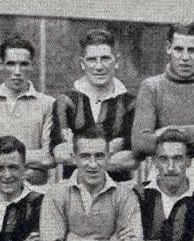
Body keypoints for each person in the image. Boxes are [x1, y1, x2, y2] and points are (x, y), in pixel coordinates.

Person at [132, 22, 194, 186]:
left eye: (191, 50)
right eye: (179, 49)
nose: (185, 57)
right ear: (168, 47)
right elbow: (140, 142)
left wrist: (166, 132)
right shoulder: (151, 86)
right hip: (163, 167)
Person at [52, 29, 138, 182]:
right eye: (92, 59)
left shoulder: (131, 103)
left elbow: (132, 159)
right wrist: (112, 149)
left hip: (119, 192)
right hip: (74, 192)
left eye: (105, 58)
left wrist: (80, 152)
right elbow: (61, 153)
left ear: (117, 61)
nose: (99, 66)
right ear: (82, 63)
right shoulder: (65, 102)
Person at [0, 35, 55, 187]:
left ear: (32, 66)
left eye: (24, 64)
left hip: (35, 195)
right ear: (1, 65)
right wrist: (10, 173)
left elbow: (49, 156)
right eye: (11, 64)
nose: (17, 71)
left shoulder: (48, 105)